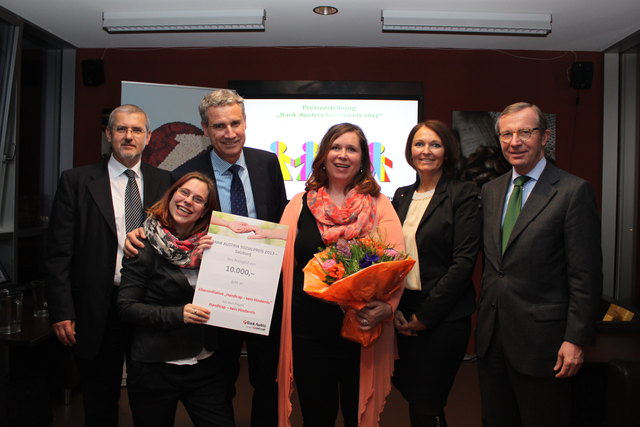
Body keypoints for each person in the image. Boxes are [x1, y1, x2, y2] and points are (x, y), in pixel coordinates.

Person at [126, 89, 287, 427]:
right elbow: (169, 223)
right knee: (221, 381)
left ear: (245, 124)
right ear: (205, 130)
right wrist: (136, 231)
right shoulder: (185, 173)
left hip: (264, 294)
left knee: (267, 379)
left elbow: (280, 220)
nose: (229, 133)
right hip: (215, 298)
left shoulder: (267, 164)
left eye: (235, 123)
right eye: (219, 126)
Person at [44, 105, 172, 426]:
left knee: (151, 396)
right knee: (100, 401)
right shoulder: (76, 181)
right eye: (121, 129)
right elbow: (59, 253)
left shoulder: (166, 182)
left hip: (148, 305)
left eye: (136, 130)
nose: (129, 136)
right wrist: (62, 311)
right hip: (98, 307)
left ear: (148, 138)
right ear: (108, 135)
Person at [476, 102, 603, 426]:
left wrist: (575, 339)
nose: (514, 141)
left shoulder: (573, 192)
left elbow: (585, 274)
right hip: (493, 340)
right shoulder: (491, 191)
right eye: (507, 133)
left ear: (544, 136)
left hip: (545, 344)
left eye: (525, 132)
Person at [277, 123, 405, 427]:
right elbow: (278, 262)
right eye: (336, 147)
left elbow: (397, 263)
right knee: (316, 415)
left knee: (356, 413)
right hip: (308, 328)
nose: (342, 155)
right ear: (323, 155)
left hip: (360, 327)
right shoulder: (298, 204)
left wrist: (389, 308)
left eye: (351, 149)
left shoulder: (379, 205)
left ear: (363, 159)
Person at [117, 172, 233, 427]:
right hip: (155, 367)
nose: (188, 201)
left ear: (204, 211)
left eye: (198, 199)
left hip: (204, 363)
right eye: (184, 192)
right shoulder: (143, 243)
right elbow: (126, 307)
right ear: (171, 195)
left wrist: (212, 264)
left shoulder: (215, 247)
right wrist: (178, 314)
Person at [391, 121, 481, 427]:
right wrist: (397, 311)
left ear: (447, 151)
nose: (425, 151)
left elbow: (464, 262)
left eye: (434, 144)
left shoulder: (463, 194)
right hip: (404, 312)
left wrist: (426, 316)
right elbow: (391, 257)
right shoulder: (401, 196)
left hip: (443, 316)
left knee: (429, 400)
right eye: (419, 144)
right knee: (414, 395)